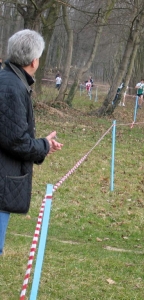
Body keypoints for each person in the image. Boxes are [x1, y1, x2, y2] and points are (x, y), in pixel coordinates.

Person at [0, 29, 63, 256]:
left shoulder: (11, 81)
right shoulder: (11, 87)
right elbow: (15, 141)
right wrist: (43, 146)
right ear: (34, 61)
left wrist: (41, 145)